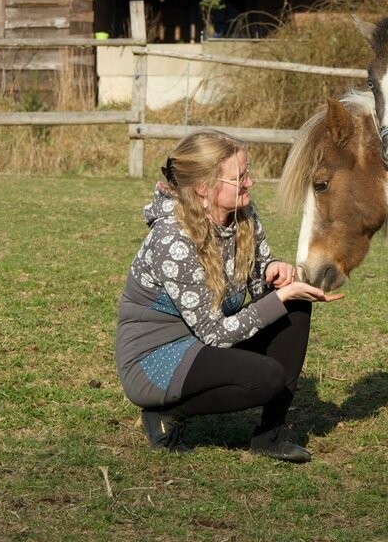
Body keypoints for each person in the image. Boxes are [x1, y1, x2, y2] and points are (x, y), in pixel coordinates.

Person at [115, 129, 341, 461]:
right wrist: (276, 300)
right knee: (266, 378)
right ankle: (165, 413)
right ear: (203, 188)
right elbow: (215, 333)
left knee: (295, 307)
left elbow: (260, 269)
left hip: (204, 339)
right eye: (239, 178)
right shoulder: (171, 239)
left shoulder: (243, 215)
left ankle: (270, 436)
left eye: (246, 173)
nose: (250, 183)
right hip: (157, 358)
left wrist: (275, 271)